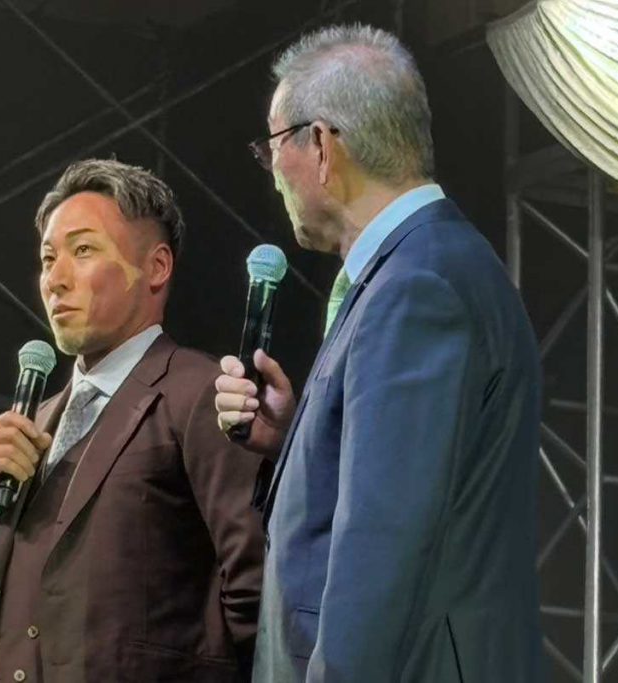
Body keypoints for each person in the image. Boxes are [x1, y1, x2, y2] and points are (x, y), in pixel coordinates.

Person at [214, 25, 542, 682]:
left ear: (322, 146)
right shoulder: (424, 267)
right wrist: (299, 438)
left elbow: (383, 552)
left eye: (273, 147)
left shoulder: (417, 286)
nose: (273, 174)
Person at [0, 159, 266, 682]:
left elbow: (255, 592)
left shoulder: (204, 394)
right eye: (47, 258)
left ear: (156, 267)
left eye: (83, 251)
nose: (55, 280)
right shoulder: (34, 424)